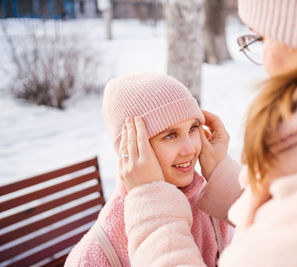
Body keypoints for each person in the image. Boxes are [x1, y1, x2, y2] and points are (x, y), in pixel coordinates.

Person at [119, 0, 297, 266]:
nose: (264, 62)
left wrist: (152, 210)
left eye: (264, 39)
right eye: (170, 135)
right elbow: (291, 210)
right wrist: (220, 172)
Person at [65, 72, 235, 267]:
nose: (190, 149)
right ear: (130, 148)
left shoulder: (212, 209)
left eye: (193, 128)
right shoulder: (93, 257)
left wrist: (220, 171)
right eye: (170, 135)